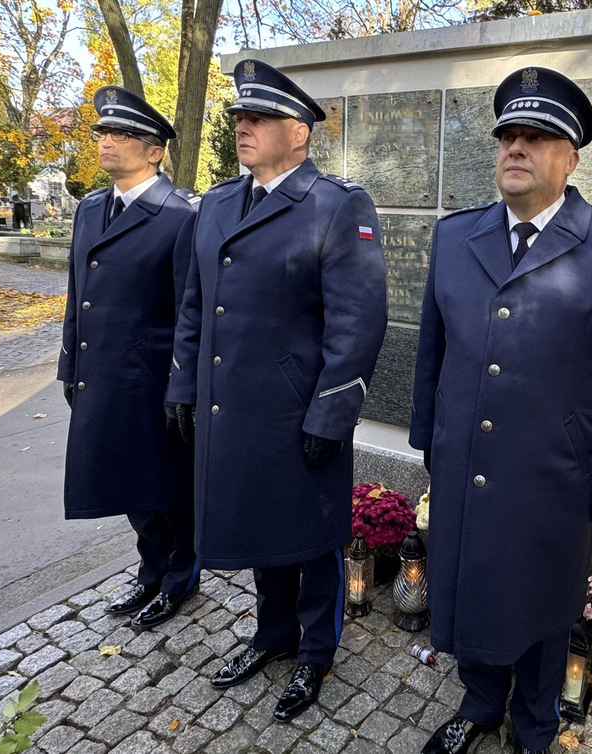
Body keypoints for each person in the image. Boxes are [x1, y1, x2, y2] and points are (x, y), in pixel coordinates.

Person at [410, 66, 592, 754]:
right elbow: (432, 350)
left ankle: (534, 722)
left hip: (552, 471)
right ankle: (480, 703)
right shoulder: (455, 237)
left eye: (537, 137)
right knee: (470, 583)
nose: (516, 149)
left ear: (571, 157)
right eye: (507, 137)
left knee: (541, 605)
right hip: (466, 458)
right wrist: (427, 438)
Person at [165, 58, 387, 724]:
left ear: (300, 133)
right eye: (239, 117)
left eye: (258, 118)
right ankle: (272, 635)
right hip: (232, 407)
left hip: (298, 410)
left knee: (310, 535)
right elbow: (194, 305)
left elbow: (358, 322)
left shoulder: (337, 205)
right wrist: (182, 382)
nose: (243, 127)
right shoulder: (217, 205)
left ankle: (316, 650)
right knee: (261, 526)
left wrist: (332, 410)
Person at [57, 85, 199, 630]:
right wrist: (70, 364)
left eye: (123, 135)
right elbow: (78, 295)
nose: (108, 143)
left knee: (165, 487)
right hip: (99, 374)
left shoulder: (181, 215)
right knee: (125, 483)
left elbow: (193, 310)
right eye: (104, 134)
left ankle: (180, 577)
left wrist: (181, 386)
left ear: (155, 150)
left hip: (152, 378)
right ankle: (150, 570)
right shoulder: (91, 209)